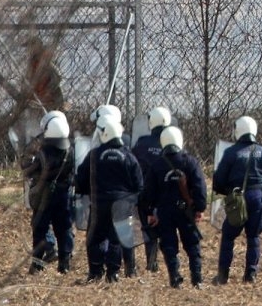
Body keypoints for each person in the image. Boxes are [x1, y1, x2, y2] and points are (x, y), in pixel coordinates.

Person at [75, 116, 143, 283]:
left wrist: (84, 192)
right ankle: (113, 273)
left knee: (95, 237)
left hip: (99, 202)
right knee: (116, 238)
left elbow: (81, 179)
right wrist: (132, 200)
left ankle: (95, 272)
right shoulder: (128, 156)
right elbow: (138, 184)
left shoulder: (94, 155)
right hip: (121, 204)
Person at [212, 116, 262, 285]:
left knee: (228, 235)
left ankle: (223, 275)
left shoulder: (230, 153)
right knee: (253, 236)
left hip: (237, 198)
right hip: (257, 197)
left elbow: (218, 180)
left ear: (238, 130)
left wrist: (227, 193)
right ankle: (251, 274)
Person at [144, 126, 207, 289]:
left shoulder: (156, 165)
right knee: (192, 244)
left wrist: (150, 211)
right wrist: (199, 208)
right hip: (186, 210)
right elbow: (200, 187)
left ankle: (175, 277)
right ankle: (197, 279)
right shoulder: (190, 162)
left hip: (165, 211)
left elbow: (149, 191)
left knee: (168, 244)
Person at [25, 112, 74, 275]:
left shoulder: (42, 152)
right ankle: (64, 263)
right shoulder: (69, 151)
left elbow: (29, 170)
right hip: (63, 195)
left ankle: (37, 264)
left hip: (43, 196)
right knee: (64, 228)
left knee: (40, 229)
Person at [132, 106, 172, 273]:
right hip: (166, 191)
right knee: (167, 227)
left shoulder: (141, 142)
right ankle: (171, 260)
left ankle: (151, 261)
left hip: (145, 192)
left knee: (148, 227)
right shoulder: (171, 142)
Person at [26, 36, 65, 111]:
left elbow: (57, 77)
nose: (28, 50)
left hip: (51, 100)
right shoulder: (33, 61)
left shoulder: (44, 59)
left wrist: (47, 92)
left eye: (30, 47)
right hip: (39, 101)